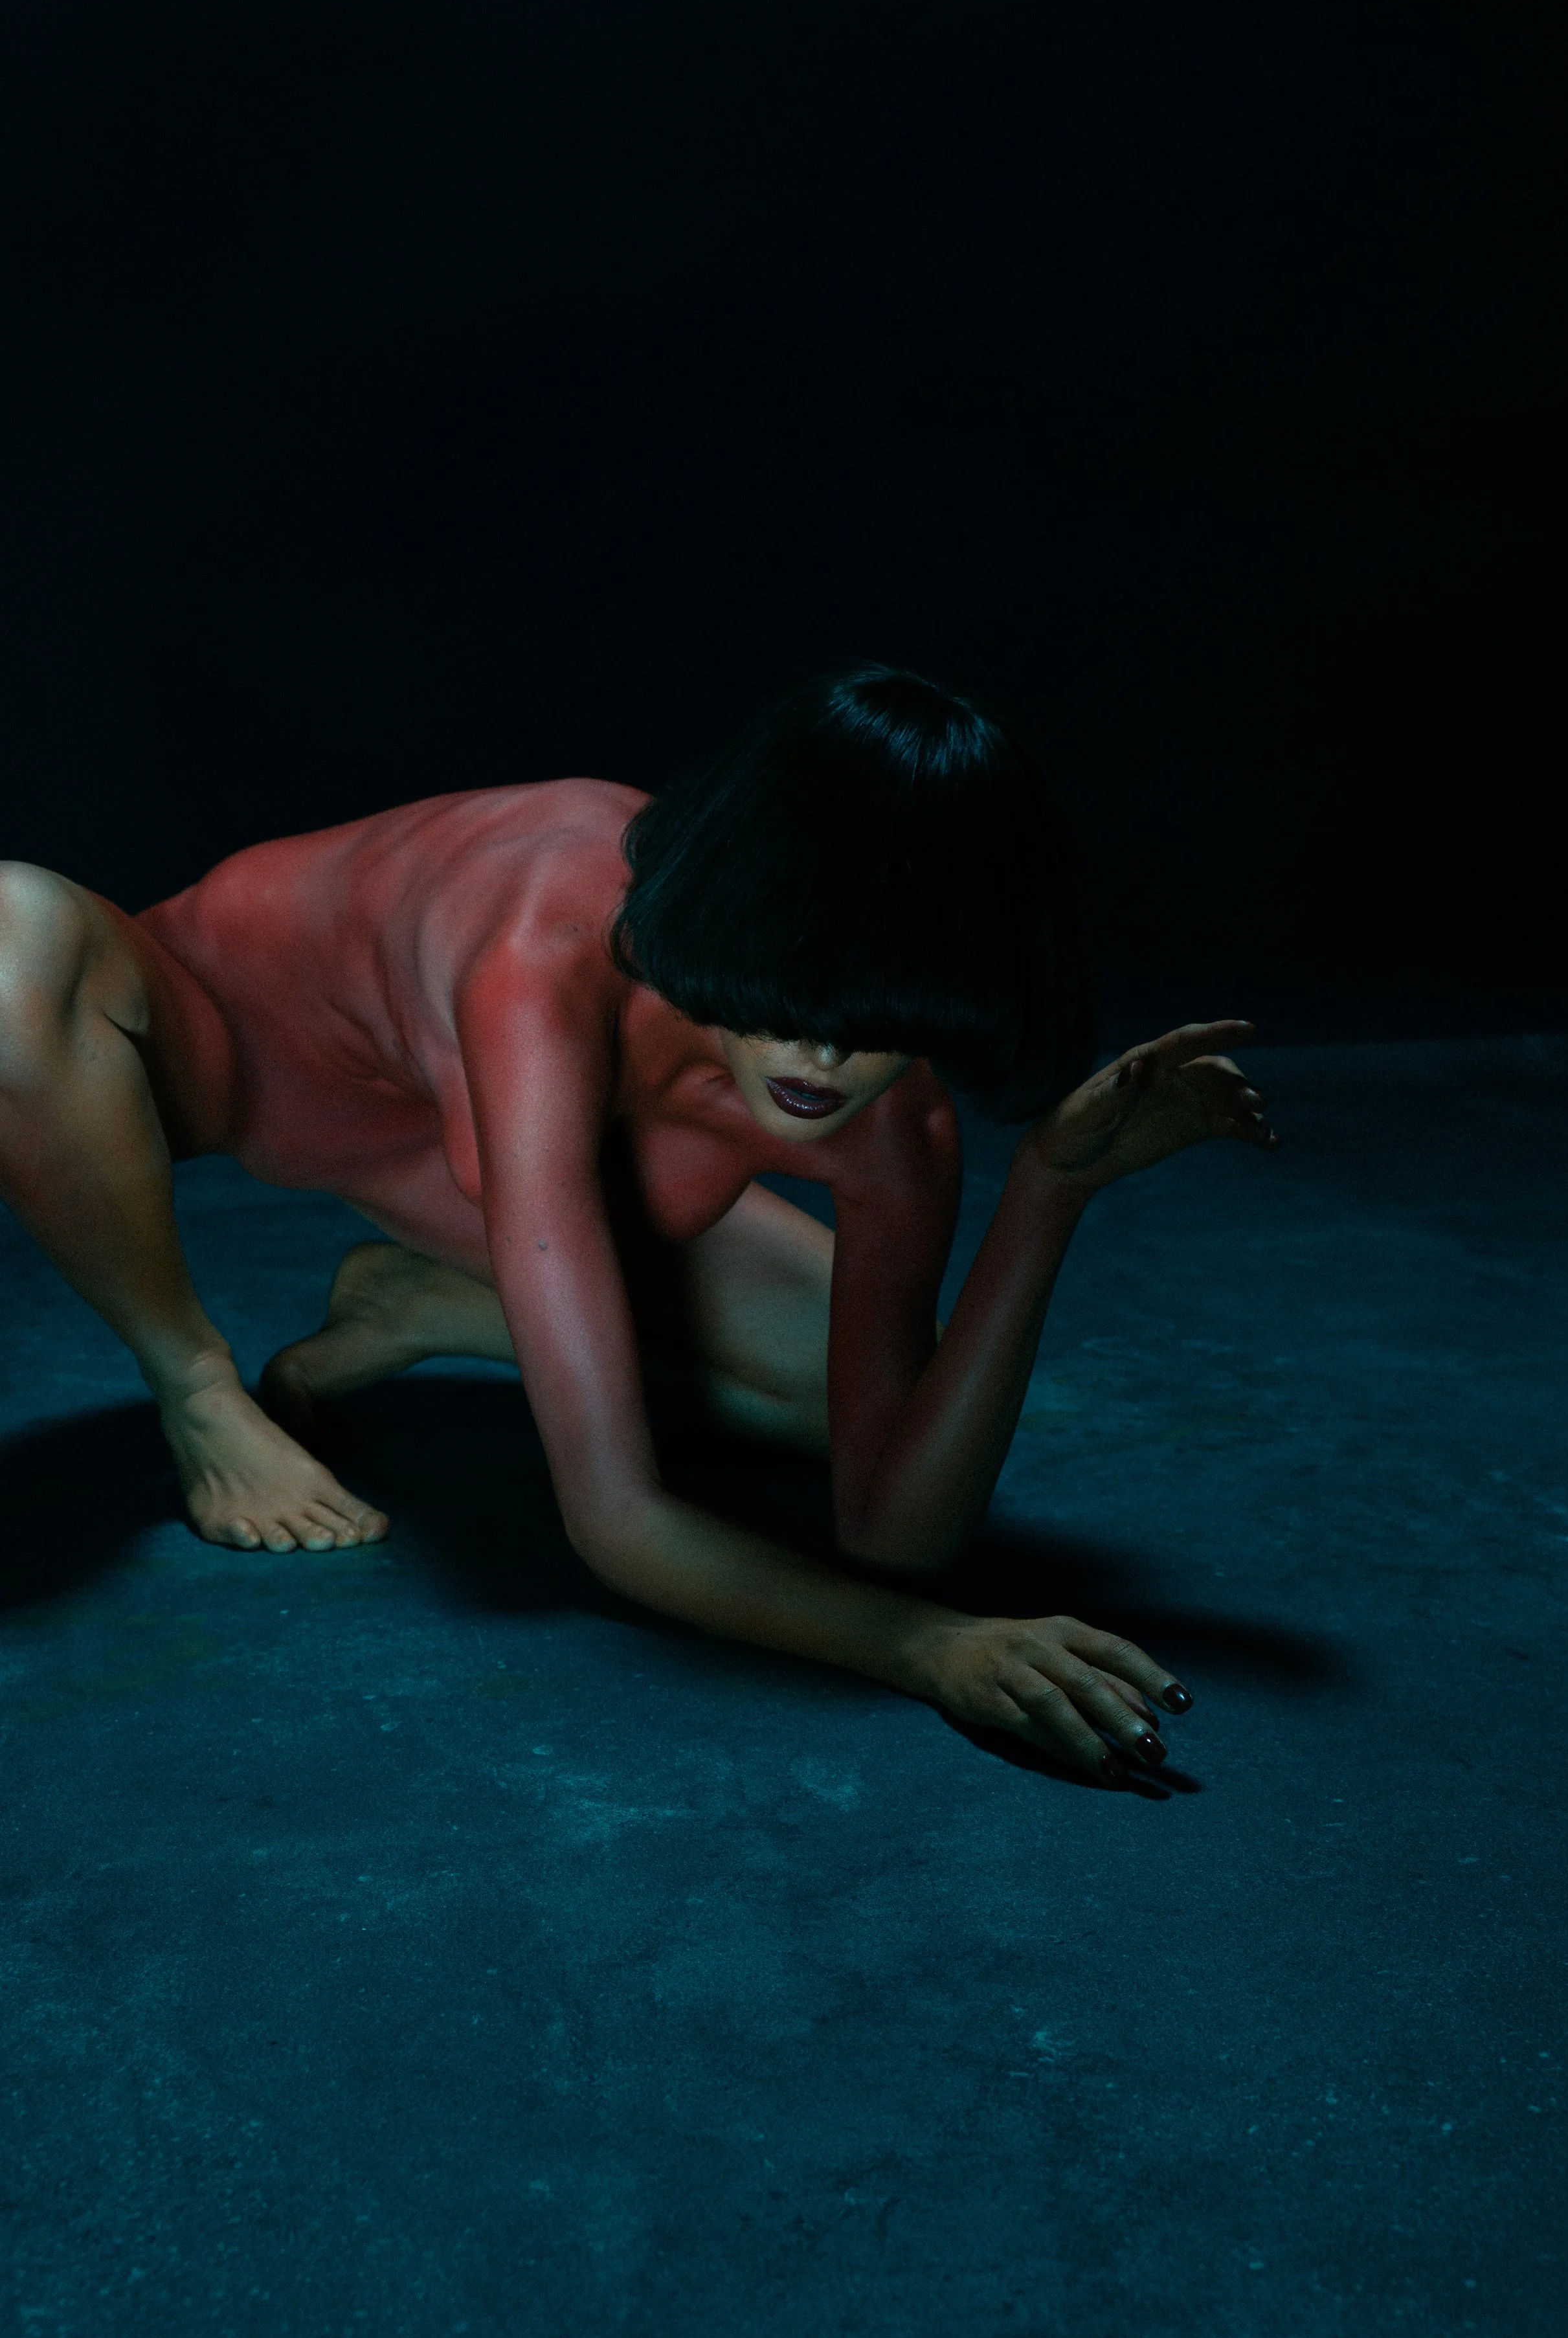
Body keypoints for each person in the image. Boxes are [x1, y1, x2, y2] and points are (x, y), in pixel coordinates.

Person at [0, 666, 1274, 1778]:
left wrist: (1050, 1191)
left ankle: (431, 1302)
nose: (825, 1057)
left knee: (830, 1405)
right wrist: (926, 1654)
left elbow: (895, 1529)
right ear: (729, 914)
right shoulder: (538, 958)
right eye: (792, 993)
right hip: (216, 1065)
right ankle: (199, 1387)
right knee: (9, 940)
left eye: (884, 1018)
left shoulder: (897, 1123)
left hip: (474, 1173)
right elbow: (614, 1524)